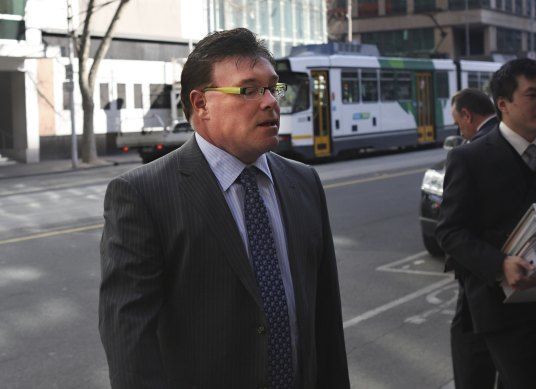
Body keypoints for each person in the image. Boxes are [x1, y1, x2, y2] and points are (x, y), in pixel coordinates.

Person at [99, 27, 350, 389]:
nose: (270, 101)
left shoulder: (304, 182)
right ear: (200, 104)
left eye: (272, 87)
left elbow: (325, 318)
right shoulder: (142, 195)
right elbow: (129, 341)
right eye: (249, 90)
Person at [437, 57, 536, 389]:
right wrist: (500, 265)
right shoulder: (469, 158)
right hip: (499, 309)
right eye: (532, 95)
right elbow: (450, 230)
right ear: (503, 104)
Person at [447, 88, 501, 389]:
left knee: (473, 363)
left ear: (468, 116)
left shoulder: (469, 152)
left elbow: (450, 228)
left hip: (480, 284)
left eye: (458, 122)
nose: (460, 130)